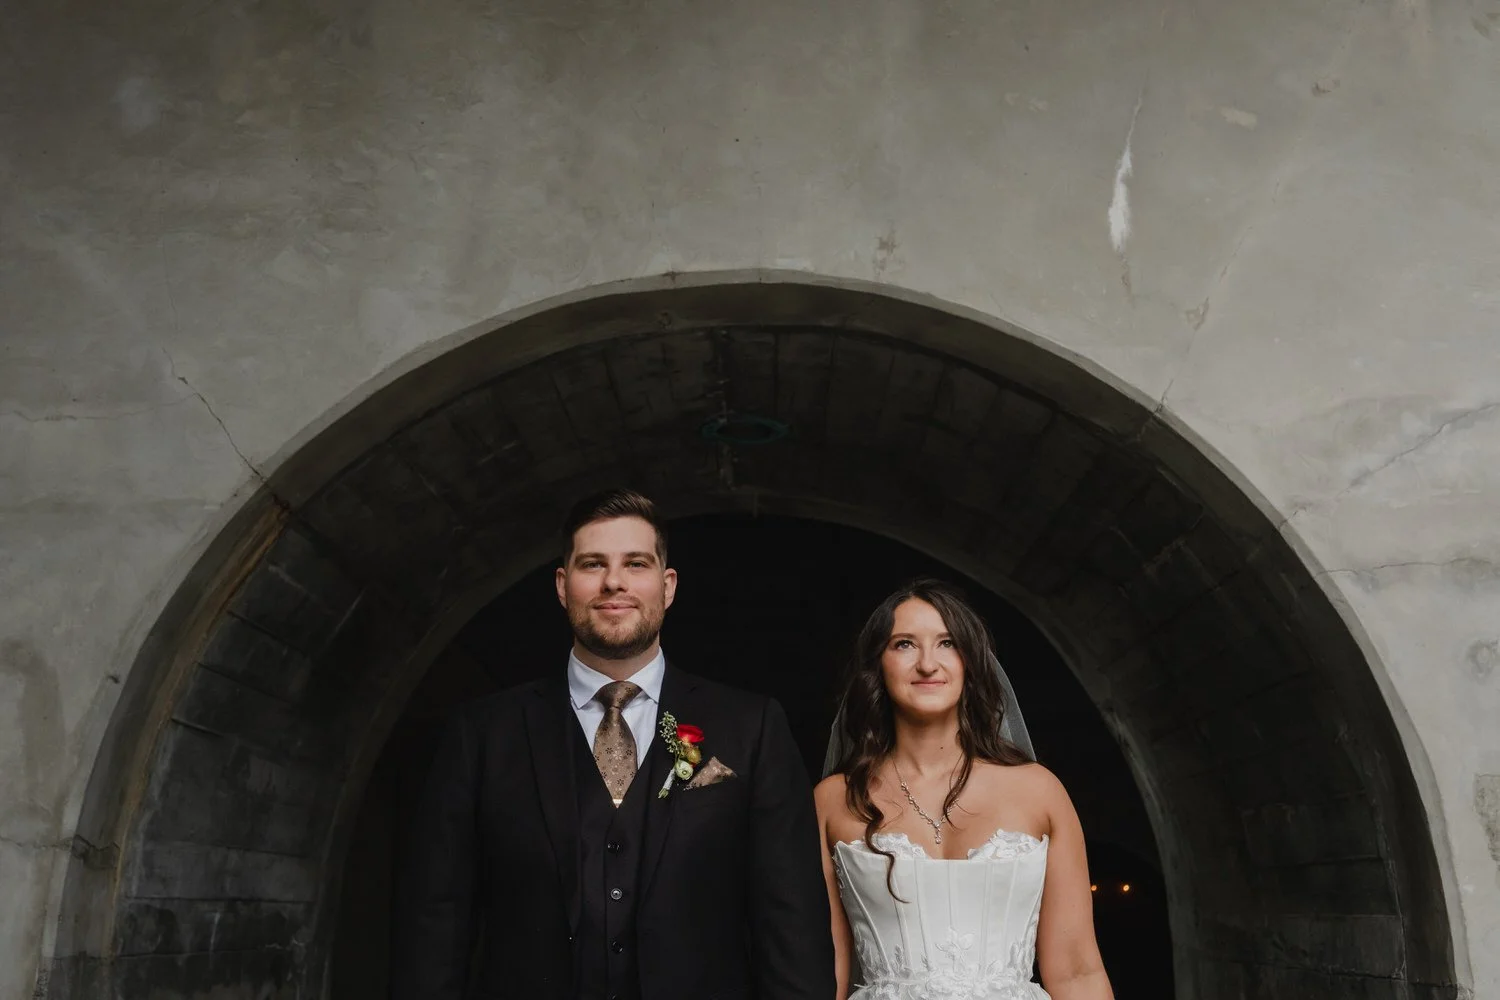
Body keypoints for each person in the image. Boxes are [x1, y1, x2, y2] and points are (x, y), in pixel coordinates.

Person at [392, 489, 834, 1000]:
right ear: (563, 586)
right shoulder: (482, 734)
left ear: (667, 586)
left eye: (636, 563)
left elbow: (791, 924)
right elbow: (436, 926)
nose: (614, 582)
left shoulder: (751, 727)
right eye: (593, 564)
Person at [815, 579, 1113, 1000]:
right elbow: (826, 976)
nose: (927, 664)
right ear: (878, 664)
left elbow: (1077, 972)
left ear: (970, 662)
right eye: (904, 644)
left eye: (947, 643)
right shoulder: (833, 800)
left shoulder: (1039, 791)